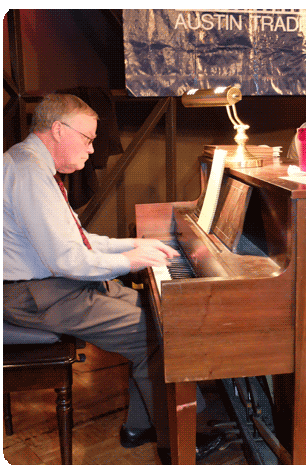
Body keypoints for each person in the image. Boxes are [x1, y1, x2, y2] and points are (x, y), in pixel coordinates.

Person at [3, 93, 221, 462]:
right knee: (156, 332)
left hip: (50, 288)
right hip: (36, 296)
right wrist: (132, 259)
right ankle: (180, 438)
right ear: (58, 130)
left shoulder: (31, 166)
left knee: (154, 317)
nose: (92, 150)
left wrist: (133, 244)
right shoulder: (28, 173)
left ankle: (142, 424)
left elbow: (80, 239)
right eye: (88, 139)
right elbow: (66, 258)